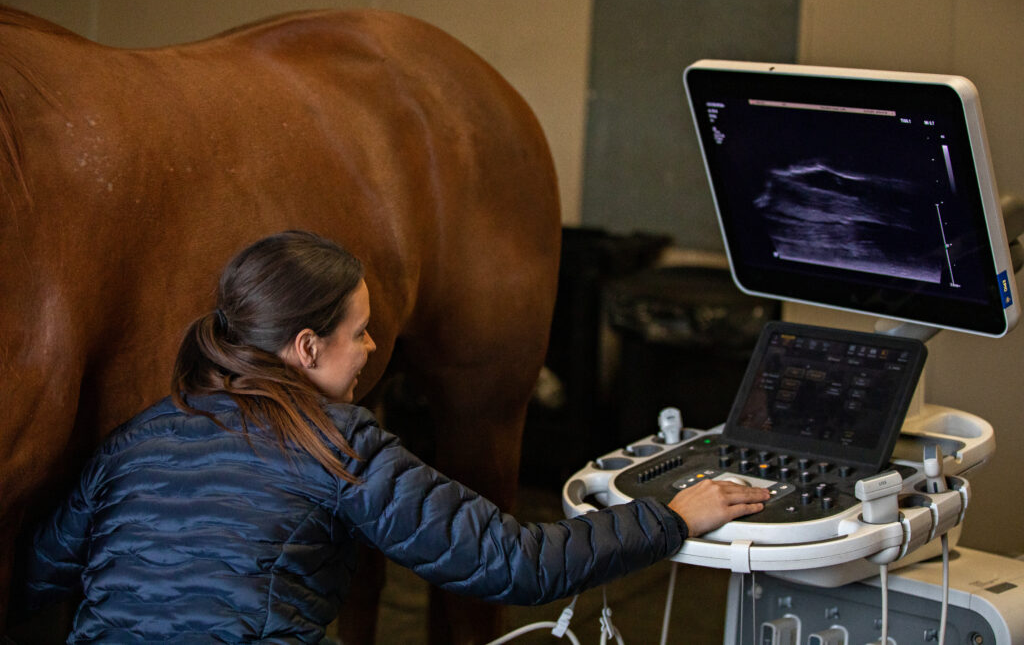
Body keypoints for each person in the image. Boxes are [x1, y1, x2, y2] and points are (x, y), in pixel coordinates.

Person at [17, 230, 768, 642]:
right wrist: (671, 516)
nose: (375, 349)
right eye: (362, 331)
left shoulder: (135, 438)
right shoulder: (337, 443)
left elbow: (39, 571)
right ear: (307, 348)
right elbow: (512, 562)